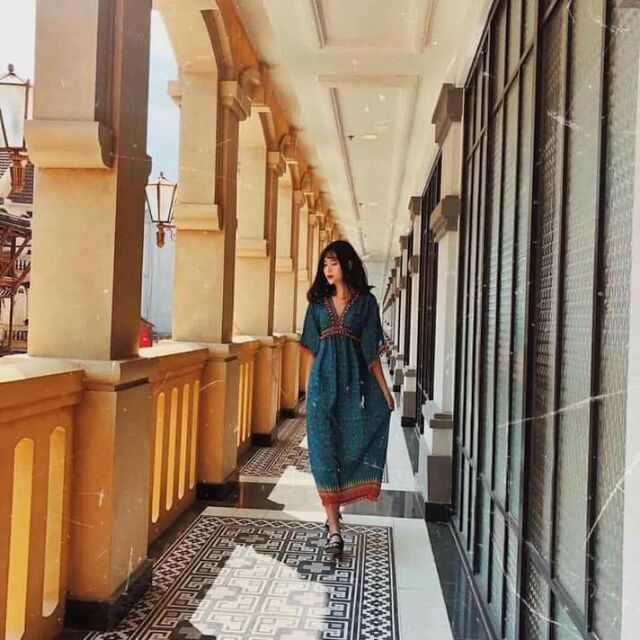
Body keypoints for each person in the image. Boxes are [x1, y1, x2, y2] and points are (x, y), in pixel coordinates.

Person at [299, 240, 395, 555]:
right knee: (324, 453)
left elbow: (371, 354)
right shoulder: (316, 304)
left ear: (347, 264)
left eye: (334, 263)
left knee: (348, 446)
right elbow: (311, 353)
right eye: (324, 264)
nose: (327, 270)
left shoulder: (366, 303)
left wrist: (385, 392)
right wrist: (307, 392)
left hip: (352, 390)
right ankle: (334, 529)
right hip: (321, 388)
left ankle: (335, 508)